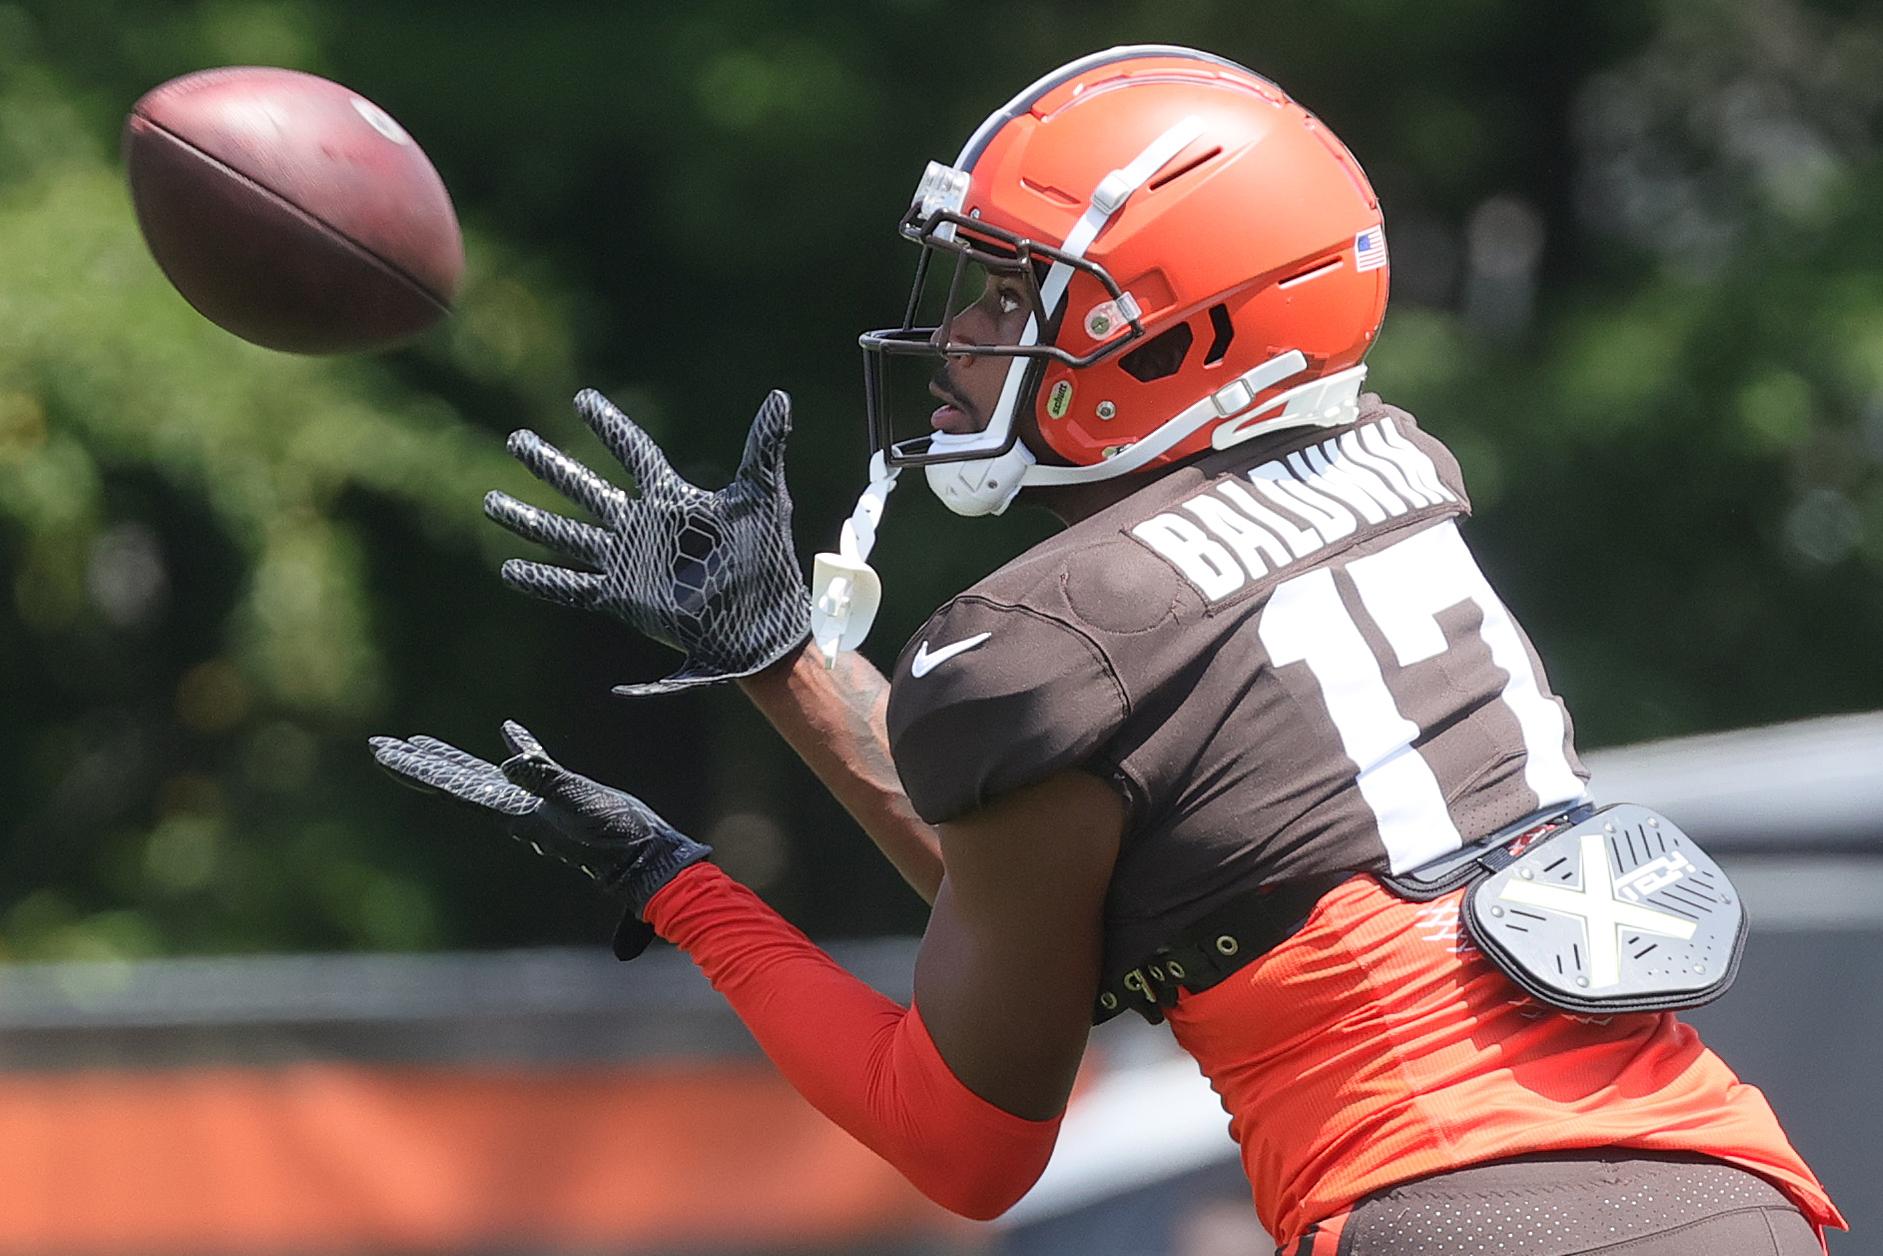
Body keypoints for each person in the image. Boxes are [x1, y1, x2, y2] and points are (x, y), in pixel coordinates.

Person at [372, 46, 1843, 1255]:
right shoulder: (1401, 470)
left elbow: (964, 1144)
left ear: (1182, 340)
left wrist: (680, 889)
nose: (962, 338)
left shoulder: (1032, 642)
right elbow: (1073, 895)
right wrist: (780, 658)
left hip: (1442, 1211)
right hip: (1735, 1190)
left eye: (1015, 298)